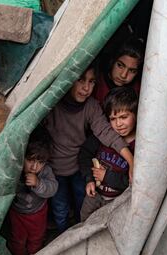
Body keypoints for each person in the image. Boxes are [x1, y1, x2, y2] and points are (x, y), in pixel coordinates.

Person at [41, 62, 134, 232]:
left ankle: (77, 235)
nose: (86, 88)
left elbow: (105, 132)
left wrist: (131, 160)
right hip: (54, 169)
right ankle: (62, 237)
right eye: (81, 80)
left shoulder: (91, 106)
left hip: (79, 168)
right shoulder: (51, 104)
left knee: (81, 204)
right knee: (60, 208)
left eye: (91, 82)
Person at [79, 86, 137, 221]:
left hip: (116, 202)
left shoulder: (139, 147)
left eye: (124, 117)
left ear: (136, 114)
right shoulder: (104, 136)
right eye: (113, 118)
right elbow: (84, 155)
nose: (118, 124)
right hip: (94, 195)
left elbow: (133, 183)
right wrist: (89, 180)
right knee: (84, 221)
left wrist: (107, 177)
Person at [7, 135, 58, 255]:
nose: (34, 167)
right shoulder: (15, 170)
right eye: (30, 160)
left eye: (40, 162)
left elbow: (53, 189)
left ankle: (34, 252)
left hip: (37, 212)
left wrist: (38, 183)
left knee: (37, 235)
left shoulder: (45, 171)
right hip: (17, 213)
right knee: (17, 236)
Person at [93, 36, 145, 106]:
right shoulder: (96, 82)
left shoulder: (140, 91)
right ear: (112, 61)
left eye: (132, 71)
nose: (123, 75)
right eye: (120, 65)